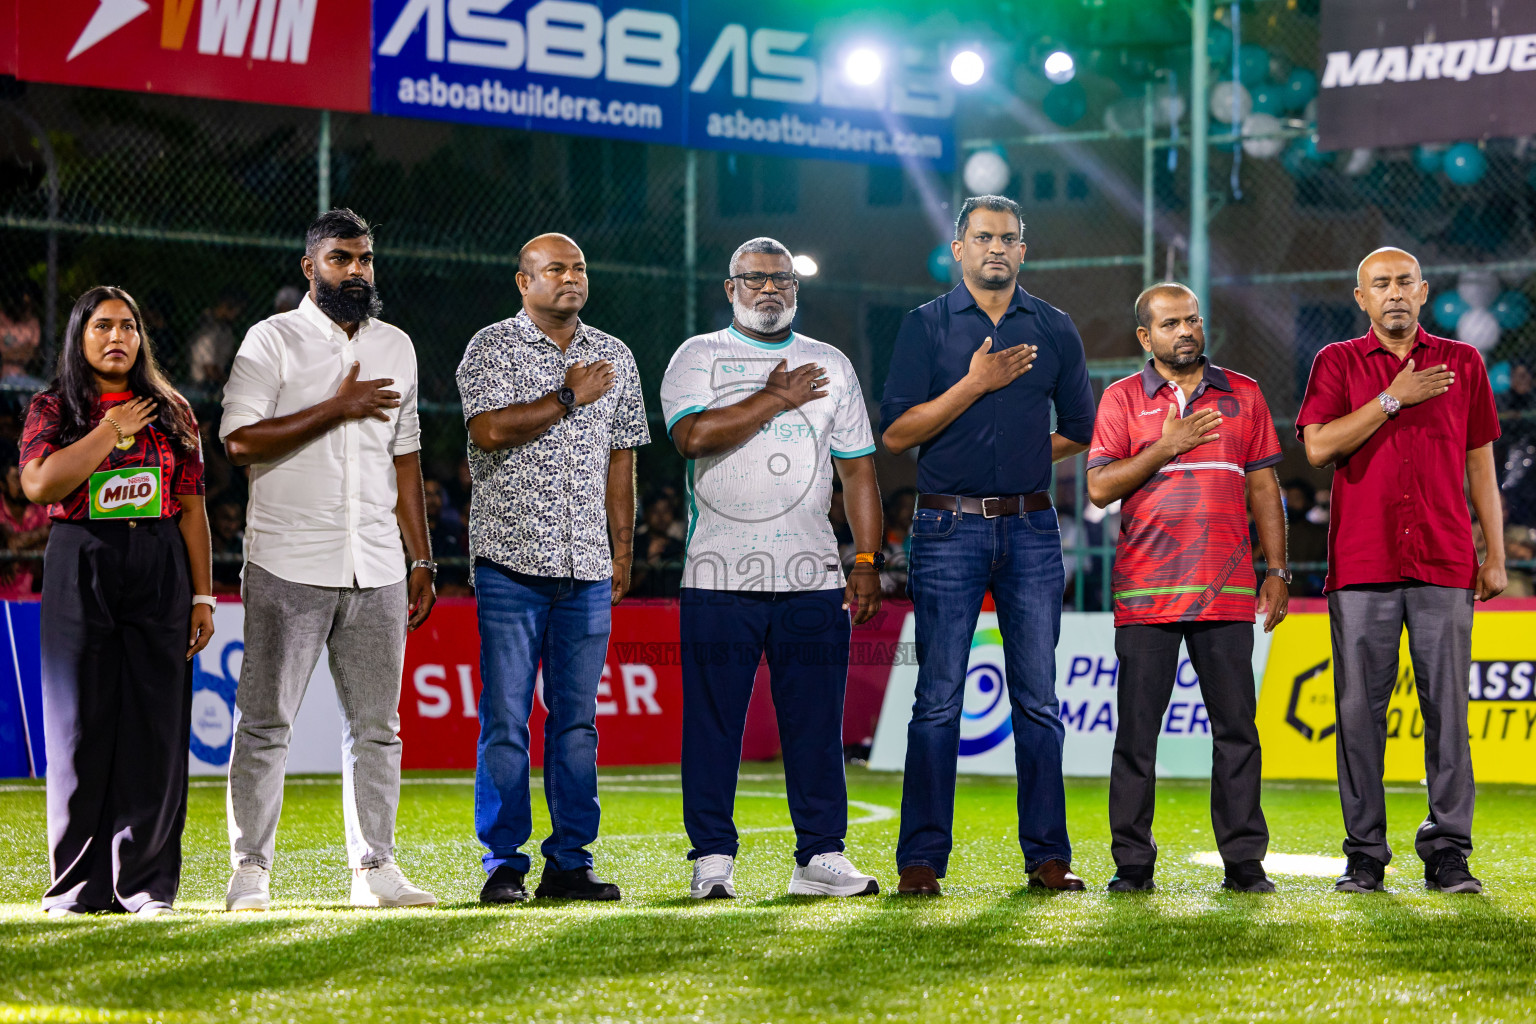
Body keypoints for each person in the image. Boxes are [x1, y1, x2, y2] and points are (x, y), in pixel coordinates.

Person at [220, 209, 439, 912]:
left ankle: (375, 868)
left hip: (377, 564)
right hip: (287, 559)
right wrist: (336, 407)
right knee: (265, 725)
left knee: (378, 729)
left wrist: (421, 558)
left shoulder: (397, 346)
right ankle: (250, 870)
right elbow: (238, 442)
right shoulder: (272, 339)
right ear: (309, 267)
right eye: (341, 258)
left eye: (365, 258)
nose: (356, 270)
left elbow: (406, 457)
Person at [879, 195, 1096, 895]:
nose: (995, 248)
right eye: (983, 237)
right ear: (959, 247)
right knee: (938, 699)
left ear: (1022, 250)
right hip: (946, 529)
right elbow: (897, 434)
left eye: (1007, 238)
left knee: (1039, 701)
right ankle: (921, 860)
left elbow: (1081, 429)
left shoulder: (1055, 326)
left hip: (1032, 529)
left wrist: (1025, 457)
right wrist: (975, 385)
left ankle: (1048, 857)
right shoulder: (925, 326)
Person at [661, 236, 884, 899]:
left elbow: (859, 471)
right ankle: (712, 859)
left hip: (812, 577)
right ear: (730, 288)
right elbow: (691, 437)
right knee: (713, 724)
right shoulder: (698, 355)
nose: (769, 288)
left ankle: (820, 856)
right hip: (718, 574)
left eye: (781, 279)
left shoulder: (831, 362)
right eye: (755, 278)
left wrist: (865, 560)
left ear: (795, 288)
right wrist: (776, 398)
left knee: (815, 725)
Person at [1298, 247, 1504, 895]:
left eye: (1404, 282)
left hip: (1445, 559)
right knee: (1359, 715)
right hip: (1363, 562)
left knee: (1448, 712)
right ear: (1361, 298)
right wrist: (1392, 398)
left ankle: (1448, 853)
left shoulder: (1463, 362)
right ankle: (1365, 855)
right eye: (1380, 283)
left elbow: (1480, 465)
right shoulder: (1336, 361)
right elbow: (1318, 446)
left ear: (1423, 291)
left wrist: (1495, 554)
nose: (1393, 292)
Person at [457, 232, 649, 904]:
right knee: (506, 719)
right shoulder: (491, 346)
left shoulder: (615, 355)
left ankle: (569, 862)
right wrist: (568, 396)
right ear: (524, 281)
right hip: (511, 563)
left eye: (579, 268)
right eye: (556, 269)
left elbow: (623, 457)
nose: (571, 278)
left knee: (576, 724)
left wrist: (622, 549)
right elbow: (486, 431)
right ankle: (504, 866)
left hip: (588, 565)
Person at [1085, 282, 1288, 894]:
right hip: (1145, 594)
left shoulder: (1243, 393)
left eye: (1192, 320)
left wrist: (1277, 570)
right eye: (1171, 323)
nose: (1186, 332)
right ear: (1145, 336)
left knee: (1237, 732)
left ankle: (1244, 863)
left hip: (1226, 592)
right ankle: (1132, 864)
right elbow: (1100, 488)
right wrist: (1165, 447)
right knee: (1136, 736)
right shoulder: (1121, 398)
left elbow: (1264, 488)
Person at [19, 285, 215, 916]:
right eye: (101, 326)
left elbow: (192, 508)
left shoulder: (173, 410)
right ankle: (77, 889)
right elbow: (39, 484)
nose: (116, 337)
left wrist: (203, 595)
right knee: (78, 727)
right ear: (79, 336)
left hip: (159, 565)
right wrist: (110, 430)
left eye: (127, 326)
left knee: (155, 730)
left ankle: (146, 886)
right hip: (81, 560)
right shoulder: (55, 406)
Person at [0, 442, 50, 598]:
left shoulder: (39, 508)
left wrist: (26, 548)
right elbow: (12, 544)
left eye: (25, 477)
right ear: (2, 484)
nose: (23, 485)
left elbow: (53, 542)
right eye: (16, 478)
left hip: (34, 599)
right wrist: (43, 533)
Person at [188, 288, 244, 390]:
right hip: (202, 383)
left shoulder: (225, 329)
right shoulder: (207, 329)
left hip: (218, 381)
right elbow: (209, 369)